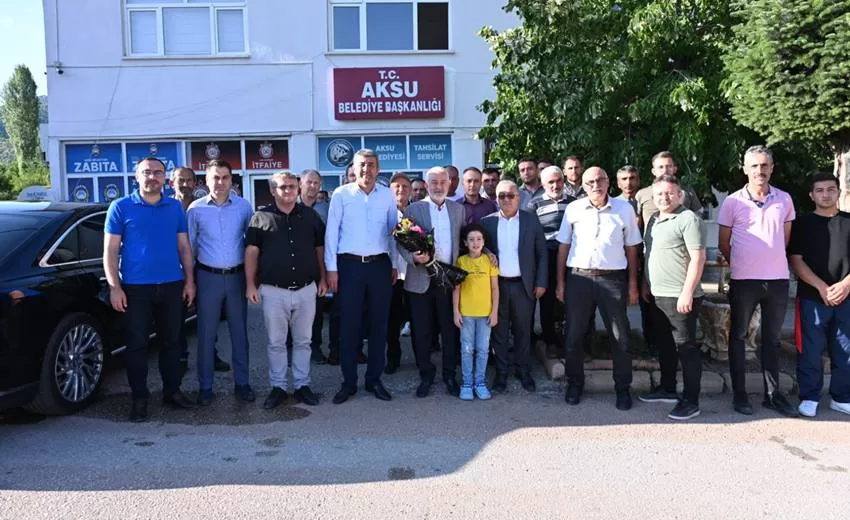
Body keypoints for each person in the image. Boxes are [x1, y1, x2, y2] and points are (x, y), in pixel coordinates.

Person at [104, 157, 197, 422]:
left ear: (165, 178)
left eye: (158, 172)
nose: (152, 177)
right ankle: (140, 398)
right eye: (147, 172)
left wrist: (190, 281)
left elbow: (184, 247)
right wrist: (114, 287)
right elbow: (110, 250)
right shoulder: (120, 207)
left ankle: (172, 391)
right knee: (136, 346)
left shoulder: (175, 208)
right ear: (137, 176)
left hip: (171, 285)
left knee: (172, 343)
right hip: (135, 289)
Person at [717, 145, 797, 417]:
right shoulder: (733, 202)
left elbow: (784, 240)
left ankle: (773, 395)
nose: (759, 171)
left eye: (764, 165)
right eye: (754, 166)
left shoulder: (784, 199)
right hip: (744, 282)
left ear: (772, 168)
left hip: (777, 280)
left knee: (772, 340)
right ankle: (740, 395)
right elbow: (724, 243)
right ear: (745, 169)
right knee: (738, 336)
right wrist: (743, 264)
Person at [556, 167, 642, 410]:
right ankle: (574, 384)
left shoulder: (624, 209)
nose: (596, 185)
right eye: (590, 182)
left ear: (608, 182)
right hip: (579, 279)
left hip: (612, 280)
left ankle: (623, 388)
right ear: (583, 186)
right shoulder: (574, 209)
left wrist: (633, 283)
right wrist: (561, 283)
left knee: (620, 337)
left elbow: (632, 248)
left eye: (600, 180)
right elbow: (563, 246)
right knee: (573, 336)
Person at [246, 170, 326, 409]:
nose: (288, 190)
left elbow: (320, 249)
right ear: (273, 190)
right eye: (283, 187)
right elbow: (251, 253)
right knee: (276, 342)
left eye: (292, 186)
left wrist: (323, 279)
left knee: (303, 341)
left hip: (306, 289)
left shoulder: (310, 216)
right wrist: (250, 284)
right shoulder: (260, 217)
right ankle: (278, 387)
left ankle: (302, 385)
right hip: (274, 291)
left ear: (298, 188)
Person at [325, 149, 399, 404]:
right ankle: (349, 382)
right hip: (349, 267)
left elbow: (394, 232)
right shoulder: (341, 194)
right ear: (354, 169)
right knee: (349, 325)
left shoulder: (387, 195)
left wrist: (394, 264)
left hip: (379, 266)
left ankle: (374, 379)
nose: (366, 169)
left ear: (378, 169)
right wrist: (331, 268)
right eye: (362, 165)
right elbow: (331, 233)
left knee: (379, 324)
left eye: (371, 164)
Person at [186, 159, 254, 406]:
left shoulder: (244, 207)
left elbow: (251, 244)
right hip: (208, 277)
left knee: (239, 332)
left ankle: (242, 383)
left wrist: (252, 279)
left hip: (236, 277)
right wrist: (190, 281)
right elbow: (190, 247)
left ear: (231, 180)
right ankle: (205, 387)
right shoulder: (195, 209)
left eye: (225, 177)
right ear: (206, 180)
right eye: (215, 177)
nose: (220, 182)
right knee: (206, 334)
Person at [640, 175, 706, 420]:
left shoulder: (688, 219)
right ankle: (668, 388)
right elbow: (650, 254)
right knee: (665, 345)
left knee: (686, 348)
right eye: (659, 194)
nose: (664, 197)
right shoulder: (654, 219)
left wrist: (687, 292)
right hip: (658, 295)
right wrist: (646, 284)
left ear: (680, 195)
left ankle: (691, 401)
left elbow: (698, 258)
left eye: (669, 193)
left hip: (680, 296)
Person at [399, 166, 465, 397]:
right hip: (419, 280)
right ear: (427, 186)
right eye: (434, 182)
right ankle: (425, 375)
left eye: (442, 182)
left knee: (449, 331)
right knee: (421, 332)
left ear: (449, 184)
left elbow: (464, 241)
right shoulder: (413, 209)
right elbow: (401, 242)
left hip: (447, 279)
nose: (438, 186)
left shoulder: (458, 210)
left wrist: (485, 251)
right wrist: (413, 258)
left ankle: (449, 375)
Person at [788, 172, 850, 417]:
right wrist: (822, 288)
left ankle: (841, 397)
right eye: (820, 190)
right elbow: (796, 260)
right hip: (812, 298)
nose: (826, 194)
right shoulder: (801, 224)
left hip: (847, 297)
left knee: (846, 348)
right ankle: (809, 396)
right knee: (810, 350)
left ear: (838, 192)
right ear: (812, 195)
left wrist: (845, 286)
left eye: (831, 189)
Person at [480, 180, 547, 393]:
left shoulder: (531, 220)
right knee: (499, 333)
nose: (506, 200)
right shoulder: (487, 222)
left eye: (510, 195)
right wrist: (486, 252)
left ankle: (523, 371)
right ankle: (501, 374)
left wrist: (541, 282)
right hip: (497, 286)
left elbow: (542, 253)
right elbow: (478, 248)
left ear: (519, 198)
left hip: (523, 286)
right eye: (502, 196)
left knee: (523, 331)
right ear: (496, 199)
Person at [528, 166, 575, 358]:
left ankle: (570, 341)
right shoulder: (534, 205)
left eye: (559, 181)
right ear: (543, 184)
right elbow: (531, 235)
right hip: (546, 256)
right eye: (551, 182)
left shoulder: (574, 203)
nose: (556, 185)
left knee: (568, 300)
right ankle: (550, 341)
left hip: (570, 257)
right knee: (547, 301)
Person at [453, 223, 499, 401]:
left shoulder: (490, 261)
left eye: (479, 239)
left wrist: (494, 312)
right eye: (471, 239)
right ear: (465, 242)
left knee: (483, 349)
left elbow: (495, 288)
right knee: (467, 349)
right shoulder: (461, 261)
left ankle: (480, 382)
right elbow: (456, 289)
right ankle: (467, 383)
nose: (475, 242)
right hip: (466, 314)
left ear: (484, 242)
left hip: (485, 314)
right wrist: (456, 312)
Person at [299, 169, 330, 364]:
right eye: (309, 182)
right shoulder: (290, 205)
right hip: (294, 266)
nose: (312, 186)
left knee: (316, 310)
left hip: (318, 265)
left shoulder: (326, 209)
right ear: (300, 183)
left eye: (316, 183)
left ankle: (315, 347)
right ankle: (291, 347)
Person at [386, 173, 413, 374]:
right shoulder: (384, 212)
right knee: (392, 321)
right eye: (397, 186)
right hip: (391, 275)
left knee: (418, 319)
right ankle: (393, 359)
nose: (401, 190)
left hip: (414, 273)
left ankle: (422, 358)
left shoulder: (416, 211)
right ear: (390, 190)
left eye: (405, 186)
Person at [634, 152, 702, 232]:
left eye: (669, 166)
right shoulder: (642, 194)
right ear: (654, 171)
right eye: (661, 167)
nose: (665, 170)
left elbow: (698, 219)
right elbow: (635, 225)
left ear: (675, 169)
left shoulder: (688, 192)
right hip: (652, 239)